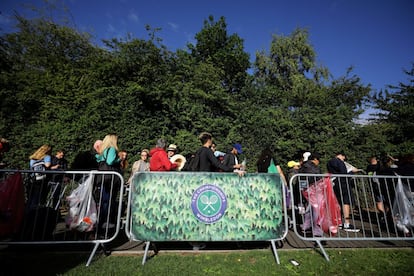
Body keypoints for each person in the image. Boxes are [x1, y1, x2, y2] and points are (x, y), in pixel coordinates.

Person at [327, 152, 360, 232]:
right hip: (343, 183)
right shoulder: (340, 162)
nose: (344, 159)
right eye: (344, 157)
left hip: (335, 183)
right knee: (346, 202)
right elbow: (343, 173)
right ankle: (347, 224)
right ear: (342, 155)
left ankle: (339, 222)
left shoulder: (329, 162)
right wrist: (352, 172)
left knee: (338, 202)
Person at [95, 134, 122, 229]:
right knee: (109, 201)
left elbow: (98, 159)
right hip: (110, 179)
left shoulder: (103, 151)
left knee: (103, 201)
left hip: (103, 177)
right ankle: (106, 223)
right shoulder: (112, 149)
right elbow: (110, 161)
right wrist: (119, 159)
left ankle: (101, 222)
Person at [299, 153, 324, 236]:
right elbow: (318, 176)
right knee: (316, 209)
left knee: (310, 207)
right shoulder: (313, 167)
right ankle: (316, 229)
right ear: (315, 159)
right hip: (313, 188)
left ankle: (306, 225)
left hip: (305, 188)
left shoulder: (303, 166)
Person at [27, 145, 52, 209]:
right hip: (42, 179)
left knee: (32, 196)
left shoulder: (33, 158)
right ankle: (37, 212)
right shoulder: (47, 156)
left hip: (33, 178)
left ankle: (29, 211)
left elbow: (31, 167)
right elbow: (47, 165)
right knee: (41, 196)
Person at [366, 156, 387, 223]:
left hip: (376, 186)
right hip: (381, 185)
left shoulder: (369, 167)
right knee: (384, 201)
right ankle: (385, 215)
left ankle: (382, 215)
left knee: (379, 201)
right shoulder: (381, 166)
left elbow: (369, 176)